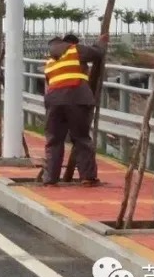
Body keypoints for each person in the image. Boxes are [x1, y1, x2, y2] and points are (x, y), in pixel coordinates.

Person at [41, 31, 109, 186]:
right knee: (81, 138)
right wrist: (102, 42)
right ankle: (88, 178)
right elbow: (97, 53)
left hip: (53, 102)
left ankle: (50, 178)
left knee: (54, 140)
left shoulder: (50, 61)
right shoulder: (74, 49)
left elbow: (49, 83)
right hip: (77, 98)